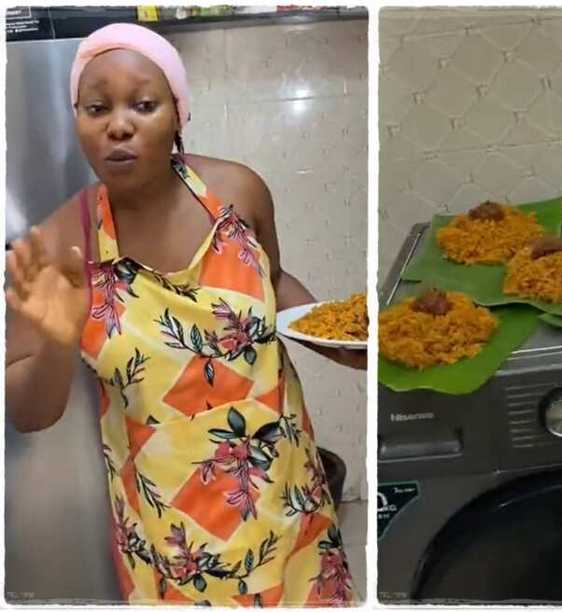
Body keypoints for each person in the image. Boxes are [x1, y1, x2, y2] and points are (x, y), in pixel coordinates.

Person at [5, 23, 360, 605]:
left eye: (143, 105)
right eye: (97, 107)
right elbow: (28, 414)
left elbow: (269, 281)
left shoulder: (238, 192)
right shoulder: (58, 243)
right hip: (173, 540)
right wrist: (56, 339)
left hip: (285, 499)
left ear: (178, 112)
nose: (119, 124)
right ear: (78, 120)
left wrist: (335, 337)